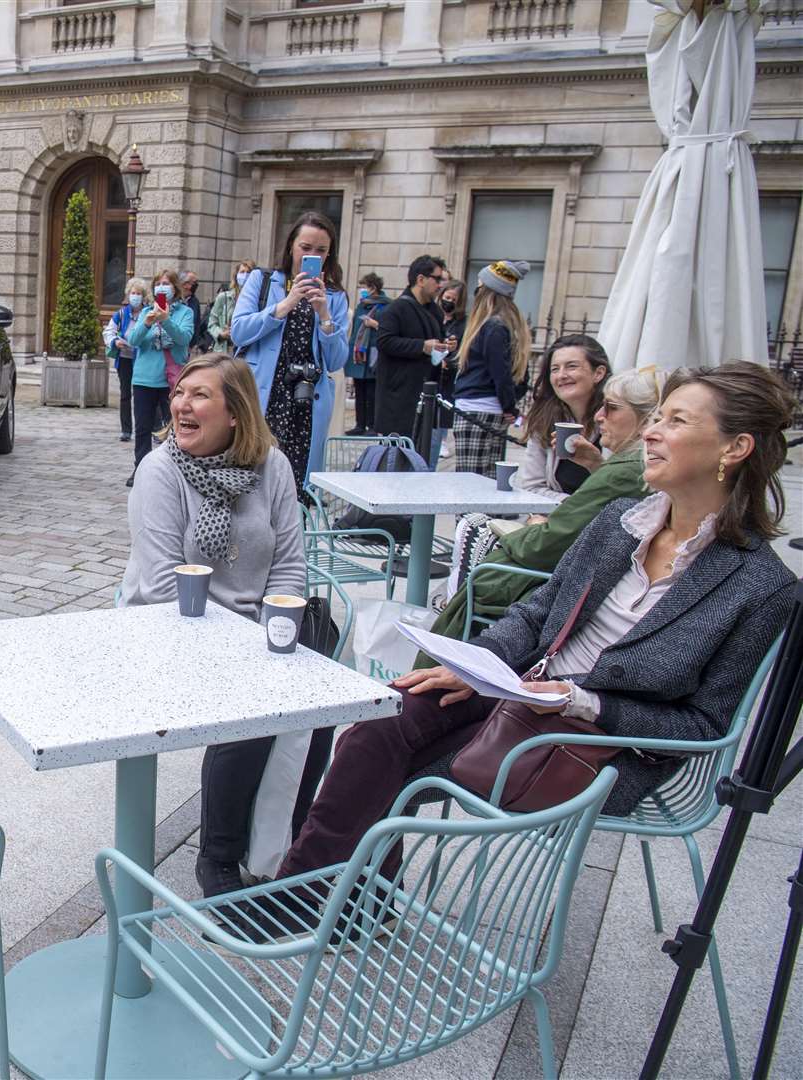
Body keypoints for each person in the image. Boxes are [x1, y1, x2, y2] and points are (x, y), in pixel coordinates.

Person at [239, 361, 797, 938]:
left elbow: (705, 728)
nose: (651, 431)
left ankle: (322, 906)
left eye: (675, 420)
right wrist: (474, 667)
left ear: (734, 448)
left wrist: (583, 703)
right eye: (656, 416)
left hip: (601, 744)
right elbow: (539, 612)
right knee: (383, 718)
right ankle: (314, 899)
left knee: (390, 756)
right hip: (523, 693)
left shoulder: (761, 587)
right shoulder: (621, 522)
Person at [119, 353, 306, 901]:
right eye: (180, 393)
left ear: (235, 413)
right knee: (252, 704)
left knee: (317, 704)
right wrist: (248, 646)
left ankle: (288, 840)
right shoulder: (161, 470)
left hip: (255, 624)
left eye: (200, 395)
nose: (181, 404)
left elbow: (290, 563)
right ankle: (218, 856)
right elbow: (157, 587)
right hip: (170, 628)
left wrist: (274, 630)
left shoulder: (272, 467)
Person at [433, 367, 659, 639]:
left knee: (475, 529)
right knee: (476, 531)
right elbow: (536, 487)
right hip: (568, 556)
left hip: (558, 575)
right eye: (555, 368)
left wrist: (522, 532)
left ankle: (453, 627)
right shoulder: (553, 422)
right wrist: (597, 466)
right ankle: (454, 607)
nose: (600, 415)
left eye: (611, 408)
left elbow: (548, 543)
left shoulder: (627, 469)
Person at [229, 210, 351, 492]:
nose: (313, 256)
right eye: (305, 248)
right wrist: (285, 305)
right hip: (262, 396)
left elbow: (335, 361)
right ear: (291, 247)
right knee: (252, 479)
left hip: (305, 405)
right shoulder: (262, 280)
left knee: (296, 487)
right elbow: (239, 331)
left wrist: (324, 316)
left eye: (322, 250)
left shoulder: (334, 296)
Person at [448, 261, 532, 477]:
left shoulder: (492, 326)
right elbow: (517, 374)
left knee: (471, 482)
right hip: (489, 409)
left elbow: (500, 372)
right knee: (486, 481)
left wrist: (509, 406)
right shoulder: (507, 325)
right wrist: (509, 405)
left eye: (479, 285)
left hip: (476, 409)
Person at [124, 268, 194, 485]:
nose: (162, 287)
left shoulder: (185, 312)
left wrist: (165, 321)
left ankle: (175, 472)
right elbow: (133, 340)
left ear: (175, 288)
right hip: (144, 378)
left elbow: (184, 339)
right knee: (143, 428)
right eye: (159, 283)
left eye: (167, 283)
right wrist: (147, 322)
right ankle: (141, 469)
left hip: (171, 380)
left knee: (174, 427)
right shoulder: (146, 312)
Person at [520, 334, 611, 502]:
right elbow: (531, 488)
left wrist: (596, 464)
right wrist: (570, 508)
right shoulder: (544, 421)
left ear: (598, 373)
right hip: (559, 519)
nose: (561, 375)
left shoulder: (617, 420)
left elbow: (628, 490)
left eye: (571, 366)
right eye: (555, 369)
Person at [373, 255, 451, 437]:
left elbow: (435, 344)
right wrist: (422, 346)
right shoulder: (396, 309)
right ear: (421, 279)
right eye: (437, 279)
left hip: (425, 398)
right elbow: (384, 341)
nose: (440, 285)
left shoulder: (435, 311)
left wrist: (445, 346)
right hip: (398, 403)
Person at [104, 278, 149, 443]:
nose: (135, 296)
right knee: (125, 395)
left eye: (138, 293)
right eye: (133, 293)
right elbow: (109, 331)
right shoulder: (121, 314)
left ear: (143, 296)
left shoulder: (148, 312)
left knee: (141, 394)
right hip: (124, 358)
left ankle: (143, 428)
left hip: (142, 358)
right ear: (128, 295)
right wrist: (115, 341)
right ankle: (126, 430)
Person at [347, 272, 388, 437]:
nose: (362, 291)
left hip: (374, 352)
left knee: (372, 392)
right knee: (360, 390)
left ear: (373, 288)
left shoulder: (386, 306)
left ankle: (372, 425)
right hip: (359, 354)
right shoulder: (361, 305)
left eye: (364, 287)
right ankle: (360, 424)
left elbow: (388, 328)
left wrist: (375, 324)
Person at [434, 278, 467, 460]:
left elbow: (463, 348)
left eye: (454, 300)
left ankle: (443, 439)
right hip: (432, 368)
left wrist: (450, 360)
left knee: (446, 405)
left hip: (449, 372)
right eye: (447, 297)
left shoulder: (462, 323)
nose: (449, 302)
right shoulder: (434, 315)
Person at [206, 260, 255, 355]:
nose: (245, 275)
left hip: (245, 351)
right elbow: (212, 323)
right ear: (236, 276)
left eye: (249, 272)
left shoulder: (256, 301)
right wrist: (221, 333)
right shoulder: (224, 298)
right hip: (225, 350)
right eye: (242, 272)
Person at [179, 270, 211, 353]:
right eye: (193, 283)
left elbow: (196, 325)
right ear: (184, 284)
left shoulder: (194, 301)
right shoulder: (174, 300)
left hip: (189, 349)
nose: (195, 286)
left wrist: (194, 344)